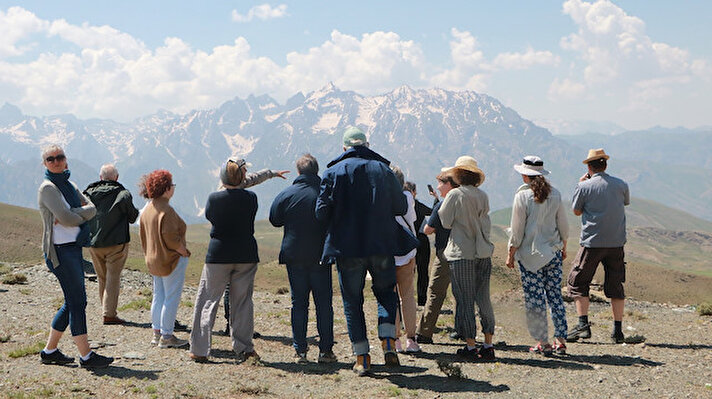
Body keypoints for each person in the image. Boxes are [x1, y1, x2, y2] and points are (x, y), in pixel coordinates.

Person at [316, 126, 418, 376]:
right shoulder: (384, 170)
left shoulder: (332, 172)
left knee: (352, 301)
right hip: (381, 245)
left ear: (344, 148)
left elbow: (321, 212)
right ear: (367, 146)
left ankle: (362, 356)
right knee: (385, 294)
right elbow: (400, 205)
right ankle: (388, 342)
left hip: (347, 248)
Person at [38, 144, 114, 368]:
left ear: (66, 160)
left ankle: (49, 351)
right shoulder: (48, 188)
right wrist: (76, 214)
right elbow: (70, 217)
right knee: (78, 301)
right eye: (51, 159)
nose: (56, 161)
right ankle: (86, 356)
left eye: (59, 157)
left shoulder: (70, 185)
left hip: (73, 248)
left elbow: (91, 209)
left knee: (72, 302)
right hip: (59, 252)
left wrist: (74, 214)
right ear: (45, 164)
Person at [189, 158, 266, 363]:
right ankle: (244, 348)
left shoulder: (214, 199)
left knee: (208, 300)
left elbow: (210, 217)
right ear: (242, 177)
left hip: (218, 254)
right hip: (246, 254)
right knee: (242, 302)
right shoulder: (251, 198)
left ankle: (199, 348)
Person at [269, 154, 335, 364]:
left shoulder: (287, 193)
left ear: (298, 172)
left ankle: (300, 351)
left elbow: (274, 220)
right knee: (324, 304)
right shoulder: (326, 194)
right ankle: (326, 351)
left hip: (294, 255)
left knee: (299, 303)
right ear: (317, 171)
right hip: (320, 256)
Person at [506, 156, 569, 356]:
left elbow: (517, 231)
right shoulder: (556, 194)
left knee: (535, 299)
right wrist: (563, 246)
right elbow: (563, 226)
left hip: (529, 255)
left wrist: (510, 253)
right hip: (552, 252)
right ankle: (561, 340)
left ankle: (543, 341)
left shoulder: (522, 197)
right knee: (555, 296)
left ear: (525, 175)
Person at [566, 149, 630, 344]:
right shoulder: (621, 185)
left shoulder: (584, 186)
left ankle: (583, 325)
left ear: (588, 166)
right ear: (606, 165)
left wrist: (581, 184)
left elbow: (576, 211)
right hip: (616, 242)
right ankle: (617, 331)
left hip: (592, 242)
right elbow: (624, 203)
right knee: (616, 284)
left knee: (577, 282)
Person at [438, 156, 496, 360]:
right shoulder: (482, 195)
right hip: (482, 251)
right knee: (483, 298)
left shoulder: (455, 195)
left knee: (464, 299)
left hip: (461, 252)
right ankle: (488, 343)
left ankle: (471, 345)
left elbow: (444, 221)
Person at [221, 165, 289, 336]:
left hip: (224, 246)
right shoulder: (239, 192)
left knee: (230, 287)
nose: (246, 174)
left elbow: (254, 178)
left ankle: (230, 324)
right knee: (238, 288)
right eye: (243, 170)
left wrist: (273, 173)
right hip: (238, 246)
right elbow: (253, 178)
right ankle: (236, 326)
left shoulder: (225, 189)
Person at [139, 169, 191, 349]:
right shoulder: (166, 210)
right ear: (167, 188)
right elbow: (170, 237)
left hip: (153, 259)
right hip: (170, 260)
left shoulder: (147, 209)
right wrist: (182, 250)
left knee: (158, 296)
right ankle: (167, 336)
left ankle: (157, 333)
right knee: (171, 297)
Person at [84, 164, 140, 325]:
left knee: (102, 277)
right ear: (116, 177)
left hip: (94, 242)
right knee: (113, 277)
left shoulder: (88, 193)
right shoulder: (122, 194)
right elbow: (132, 217)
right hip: (117, 242)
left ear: (101, 177)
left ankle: (105, 309)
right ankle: (109, 314)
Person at [415, 171, 459, 344]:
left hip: (444, 251)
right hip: (465, 250)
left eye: (441, 183)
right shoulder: (466, 202)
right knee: (462, 293)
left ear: (449, 185)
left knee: (435, 291)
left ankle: (424, 332)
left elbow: (428, 230)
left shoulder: (442, 205)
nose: (438, 187)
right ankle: (463, 329)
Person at [391, 168, 420, 353]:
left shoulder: (382, 198)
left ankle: (395, 340)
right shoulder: (408, 197)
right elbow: (413, 219)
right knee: (408, 295)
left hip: (388, 253)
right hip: (408, 252)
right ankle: (411, 338)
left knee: (391, 297)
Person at [404, 181, 433, 307]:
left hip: (406, 241)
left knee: (407, 271)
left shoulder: (400, 205)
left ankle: (405, 298)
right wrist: (436, 199)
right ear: (414, 192)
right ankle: (422, 300)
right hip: (421, 241)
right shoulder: (419, 205)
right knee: (422, 271)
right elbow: (432, 212)